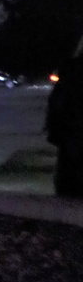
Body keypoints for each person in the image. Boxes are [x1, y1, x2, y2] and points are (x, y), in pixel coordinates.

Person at [46, 36, 83, 197]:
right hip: (73, 134)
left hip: (72, 136)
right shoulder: (71, 70)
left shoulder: (71, 70)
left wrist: (55, 131)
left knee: (70, 183)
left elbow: (57, 104)